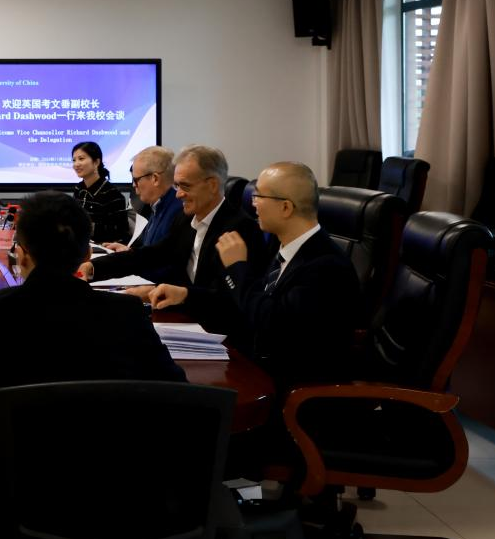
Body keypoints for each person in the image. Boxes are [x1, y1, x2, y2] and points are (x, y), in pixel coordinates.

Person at [0, 192, 185, 456]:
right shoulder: (127, 312)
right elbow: (176, 390)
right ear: (87, 254)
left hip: (17, 470)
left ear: (21, 254)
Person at [149, 162, 360, 388]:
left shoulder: (326, 265)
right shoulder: (281, 248)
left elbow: (271, 323)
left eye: (259, 196)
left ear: (286, 208)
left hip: (289, 388)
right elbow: (246, 303)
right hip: (255, 366)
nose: (253, 204)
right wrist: (186, 295)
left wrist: (237, 268)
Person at [81, 144, 267, 292]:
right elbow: (150, 255)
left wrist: (180, 295)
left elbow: (227, 298)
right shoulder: (186, 219)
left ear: (212, 185)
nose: (178, 194)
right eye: (177, 186)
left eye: (185, 186)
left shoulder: (241, 230)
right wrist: (93, 267)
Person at [72, 141, 131, 244]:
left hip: (103, 247)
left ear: (96, 162)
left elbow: (120, 232)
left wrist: (87, 227)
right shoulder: (78, 189)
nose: (76, 164)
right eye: (74, 160)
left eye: (81, 159)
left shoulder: (113, 194)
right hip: (80, 245)